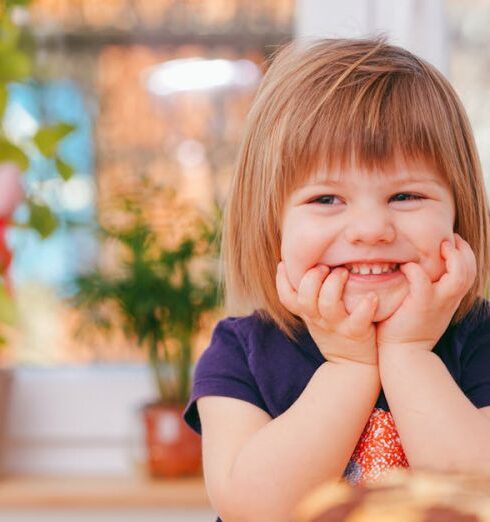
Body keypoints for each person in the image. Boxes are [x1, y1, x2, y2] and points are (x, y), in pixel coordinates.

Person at [183, 37, 490, 522]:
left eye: (406, 195)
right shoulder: (241, 353)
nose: (371, 231)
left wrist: (407, 353)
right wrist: (350, 366)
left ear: (459, 216)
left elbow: (480, 488)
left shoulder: (479, 338)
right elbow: (253, 507)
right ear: (273, 225)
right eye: (327, 200)